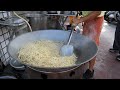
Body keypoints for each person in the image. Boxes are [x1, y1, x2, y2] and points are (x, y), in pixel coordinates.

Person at [72, 11, 105, 79]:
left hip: (96, 19)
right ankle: (84, 60)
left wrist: (79, 20)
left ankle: (90, 70)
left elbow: (97, 12)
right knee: (85, 40)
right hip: (87, 18)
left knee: (92, 44)